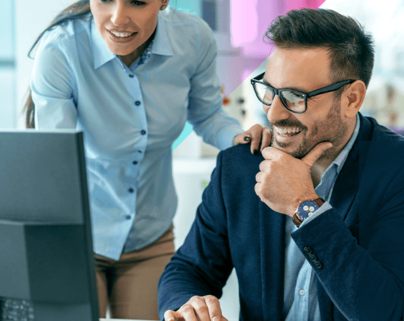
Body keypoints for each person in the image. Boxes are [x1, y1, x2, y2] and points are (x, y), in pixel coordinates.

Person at [158, 8, 404, 321]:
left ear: (352, 99)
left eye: (295, 96)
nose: (273, 114)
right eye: (269, 92)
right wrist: (190, 305)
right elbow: (187, 270)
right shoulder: (241, 165)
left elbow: (386, 312)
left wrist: (304, 206)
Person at [25, 0, 270, 319]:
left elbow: (208, 115)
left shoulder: (193, 38)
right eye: (105, 0)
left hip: (150, 236)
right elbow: (56, 156)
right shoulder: (61, 48)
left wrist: (239, 138)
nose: (118, 18)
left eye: (138, 2)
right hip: (77, 236)